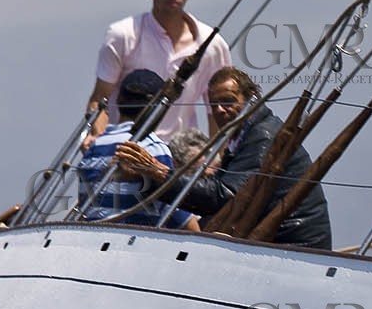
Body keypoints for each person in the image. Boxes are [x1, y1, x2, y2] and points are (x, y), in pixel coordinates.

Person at [113, 66, 332, 248]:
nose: (219, 110)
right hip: (273, 239)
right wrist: (146, 178)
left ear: (251, 99)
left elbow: (226, 197)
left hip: (295, 243)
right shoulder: (243, 135)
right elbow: (219, 197)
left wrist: (158, 171)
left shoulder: (262, 136)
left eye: (228, 101)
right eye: (213, 104)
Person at [86, 0, 232, 146]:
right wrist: (100, 141)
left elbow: (217, 108)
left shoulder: (212, 45)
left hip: (179, 156)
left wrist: (216, 158)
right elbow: (99, 100)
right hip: (126, 149)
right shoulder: (123, 35)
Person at [75, 69, 200, 231]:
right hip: (133, 244)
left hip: (93, 238)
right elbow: (173, 210)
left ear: (119, 101)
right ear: (158, 108)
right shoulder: (154, 149)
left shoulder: (93, 147)